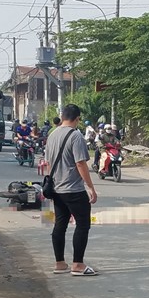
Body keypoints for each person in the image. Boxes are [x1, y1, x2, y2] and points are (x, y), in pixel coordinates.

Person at [44, 104, 99, 276]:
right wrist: (90, 187)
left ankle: (59, 263)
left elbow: (48, 163)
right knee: (83, 225)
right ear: (77, 118)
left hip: (57, 188)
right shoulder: (75, 136)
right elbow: (80, 163)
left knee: (60, 224)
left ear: (62, 117)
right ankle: (77, 265)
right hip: (73, 189)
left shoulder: (52, 135)